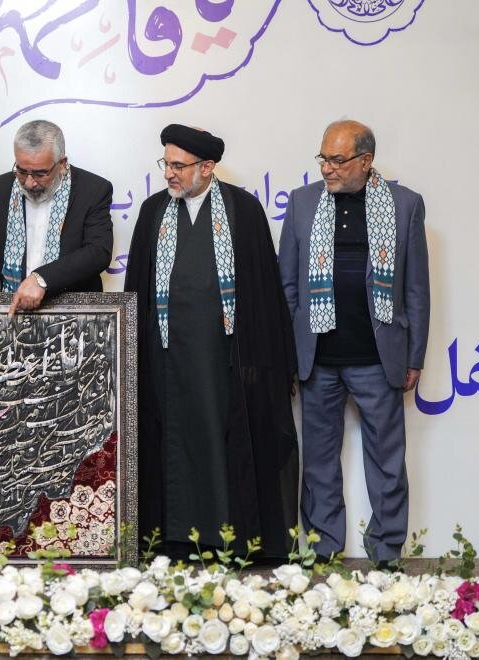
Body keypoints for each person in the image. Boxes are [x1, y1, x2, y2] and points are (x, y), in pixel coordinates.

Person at [124, 124, 299, 560]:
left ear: (207, 167)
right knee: (173, 447)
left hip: (227, 364)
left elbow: (265, 293)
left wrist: (278, 363)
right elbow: (137, 290)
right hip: (166, 362)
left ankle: (230, 540)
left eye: (178, 166)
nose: (169, 173)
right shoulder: (152, 212)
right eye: (166, 164)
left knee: (225, 447)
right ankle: (175, 541)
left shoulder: (243, 210)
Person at [279, 119, 429, 564]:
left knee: (387, 463)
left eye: (337, 160)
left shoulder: (405, 205)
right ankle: (322, 551)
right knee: (319, 464)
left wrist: (415, 356)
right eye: (323, 158)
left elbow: (416, 289)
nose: (327, 168)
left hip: (378, 359)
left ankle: (386, 552)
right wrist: (289, 355)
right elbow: (288, 287)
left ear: (366, 161)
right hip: (317, 359)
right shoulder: (302, 202)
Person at [0, 119, 113, 315]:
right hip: (12, 313)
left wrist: (42, 279)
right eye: (21, 171)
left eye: (40, 174)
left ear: (62, 164)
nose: (29, 183)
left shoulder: (94, 190)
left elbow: (98, 252)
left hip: (72, 317)